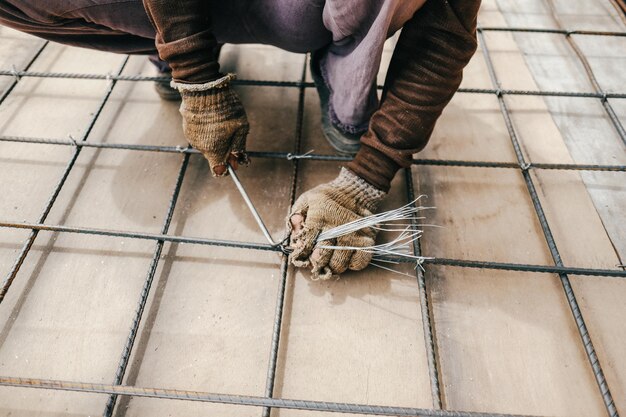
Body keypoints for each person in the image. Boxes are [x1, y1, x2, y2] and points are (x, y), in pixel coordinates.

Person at [0, 0, 480, 279]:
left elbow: (443, 39)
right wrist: (195, 71)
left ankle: (347, 76)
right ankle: (174, 35)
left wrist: (366, 179)